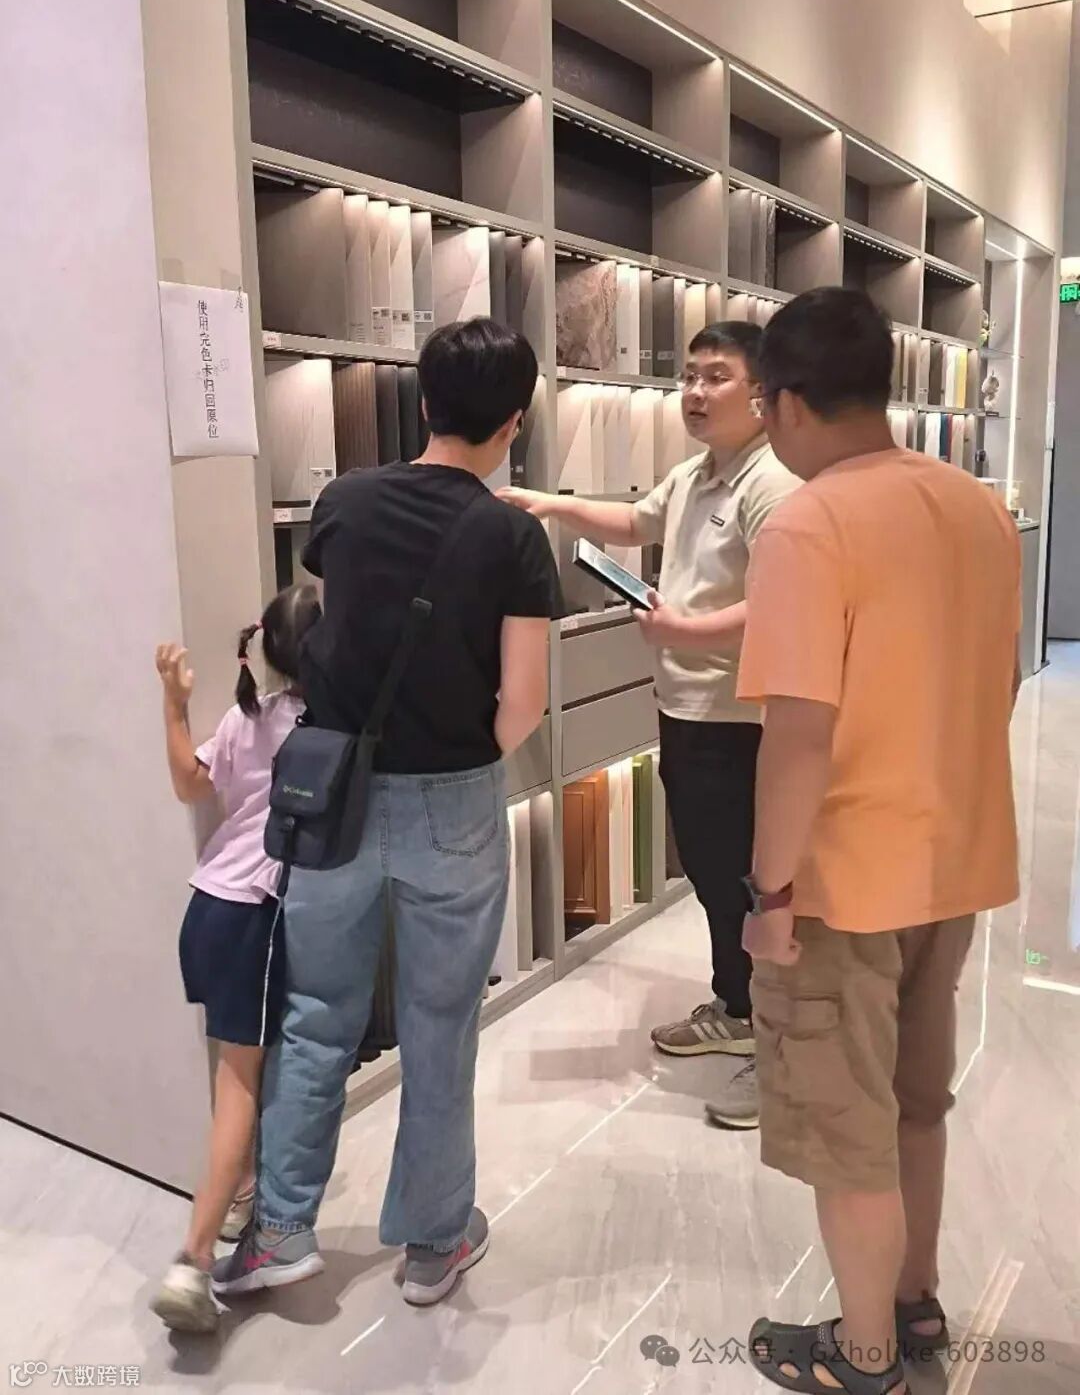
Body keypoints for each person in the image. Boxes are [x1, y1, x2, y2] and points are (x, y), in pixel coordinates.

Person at [212, 319, 561, 1308]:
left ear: (424, 403)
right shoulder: (513, 536)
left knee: (317, 1013)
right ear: (517, 421)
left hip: (335, 796)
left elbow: (341, 630)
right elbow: (523, 702)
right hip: (453, 802)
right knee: (440, 1022)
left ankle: (281, 1230)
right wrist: (459, 757)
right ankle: (433, 1242)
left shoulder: (345, 502)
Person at [738, 288, 1020, 1395]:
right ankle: (914, 1301)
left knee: (847, 1128)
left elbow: (798, 735)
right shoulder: (976, 506)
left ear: (786, 402)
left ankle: (865, 1363)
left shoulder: (808, 523)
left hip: (845, 883)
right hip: (952, 861)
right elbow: (998, 681)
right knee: (915, 1102)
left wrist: (769, 894)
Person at [501, 322, 799, 1129]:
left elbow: (780, 600)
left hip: (739, 717)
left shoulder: (772, 483)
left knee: (753, 883)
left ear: (762, 396)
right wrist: (547, 504)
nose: (695, 392)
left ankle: (781, 1051)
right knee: (712, 870)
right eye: (689, 376)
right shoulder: (699, 474)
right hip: (687, 708)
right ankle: (737, 1007)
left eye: (716, 377)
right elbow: (637, 523)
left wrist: (683, 632)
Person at [150, 583, 322, 1332]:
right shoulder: (321, 728)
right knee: (240, 1087)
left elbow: (189, 784)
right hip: (255, 915)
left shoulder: (244, 716)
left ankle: (239, 1193)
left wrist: (173, 702)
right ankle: (192, 1261)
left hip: (206, 909)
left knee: (232, 1066)